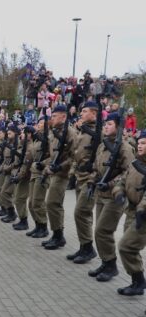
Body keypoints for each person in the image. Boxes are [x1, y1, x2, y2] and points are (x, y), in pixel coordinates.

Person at [87, 112, 134, 281]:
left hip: (115, 197)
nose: (106, 126)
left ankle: (111, 265)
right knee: (99, 231)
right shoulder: (103, 145)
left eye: (109, 124)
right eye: (105, 124)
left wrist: (110, 183)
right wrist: (92, 181)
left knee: (102, 230)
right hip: (101, 193)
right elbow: (96, 167)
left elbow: (129, 172)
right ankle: (106, 262)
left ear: (118, 127)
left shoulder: (125, 148)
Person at [114, 131, 146, 296]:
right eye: (139, 143)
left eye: (144, 143)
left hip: (143, 215)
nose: (140, 146)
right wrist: (119, 192)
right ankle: (137, 282)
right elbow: (122, 180)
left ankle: (139, 281)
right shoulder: (135, 163)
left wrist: (142, 209)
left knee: (126, 246)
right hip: (131, 210)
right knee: (129, 247)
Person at [66, 101, 99, 264]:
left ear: (94, 113)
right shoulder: (82, 132)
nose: (81, 113)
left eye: (85, 111)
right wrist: (72, 173)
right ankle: (84, 246)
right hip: (79, 177)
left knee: (81, 212)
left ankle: (88, 248)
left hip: (90, 179)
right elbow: (76, 155)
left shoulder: (98, 133)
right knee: (82, 214)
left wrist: (93, 171)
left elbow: (102, 158)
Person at [41, 105, 76, 250]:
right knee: (53, 204)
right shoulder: (54, 132)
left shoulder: (70, 132)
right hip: (54, 172)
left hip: (63, 174)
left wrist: (61, 166)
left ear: (63, 117)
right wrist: (47, 167)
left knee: (52, 203)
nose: (52, 118)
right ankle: (57, 234)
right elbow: (53, 154)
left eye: (54, 116)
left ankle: (58, 235)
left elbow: (74, 156)